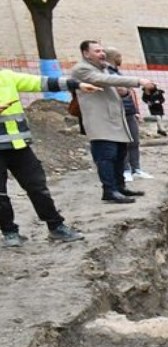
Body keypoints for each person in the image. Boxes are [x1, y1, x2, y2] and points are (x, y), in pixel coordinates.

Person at [0, 69, 96, 247]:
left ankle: (56, 226)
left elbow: (42, 82)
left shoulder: (6, 77)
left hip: (19, 146)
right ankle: (10, 233)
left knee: (38, 187)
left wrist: (76, 84)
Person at [71, 40, 152, 204]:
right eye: (97, 51)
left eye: (102, 51)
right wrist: (138, 81)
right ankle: (109, 190)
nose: (102, 54)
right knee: (106, 157)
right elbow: (105, 80)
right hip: (99, 121)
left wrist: (124, 93)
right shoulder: (82, 69)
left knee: (120, 155)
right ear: (86, 53)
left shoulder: (105, 69)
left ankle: (120, 187)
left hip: (115, 120)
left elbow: (115, 87)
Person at [103, 48, 149, 182]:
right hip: (118, 112)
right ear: (114, 57)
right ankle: (125, 169)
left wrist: (136, 111)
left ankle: (136, 168)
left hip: (129, 112)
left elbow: (128, 91)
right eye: (120, 56)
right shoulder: (107, 73)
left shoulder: (118, 73)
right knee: (123, 143)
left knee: (134, 141)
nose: (121, 59)